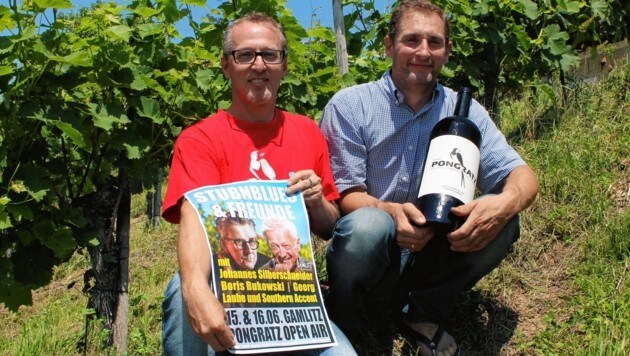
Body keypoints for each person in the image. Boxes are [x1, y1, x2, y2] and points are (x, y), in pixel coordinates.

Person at [318, 1, 539, 355]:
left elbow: (523, 175)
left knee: (506, 219)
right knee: (367, 227)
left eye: (434, 42)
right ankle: (348, 318)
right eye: (412, 40)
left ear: (447, 52)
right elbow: (345, 196)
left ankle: (423, 312)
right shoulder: (350, 106)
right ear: (389, 46)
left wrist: (502, 203)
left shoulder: (462, 110)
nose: (423, 52)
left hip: (436, 251)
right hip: (379, 252)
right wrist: (390, 213)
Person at [160, 12, 356, 355]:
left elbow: (329, 227)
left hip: (291, 300)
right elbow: (193, 216)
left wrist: (315, 201)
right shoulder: (200, 139)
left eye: (269, 54)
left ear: (284, 65)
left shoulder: (308, 132)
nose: (259, 65)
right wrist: (194, 286)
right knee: (183, 288)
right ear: (226, 66)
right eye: (245, 55)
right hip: (225, 288)